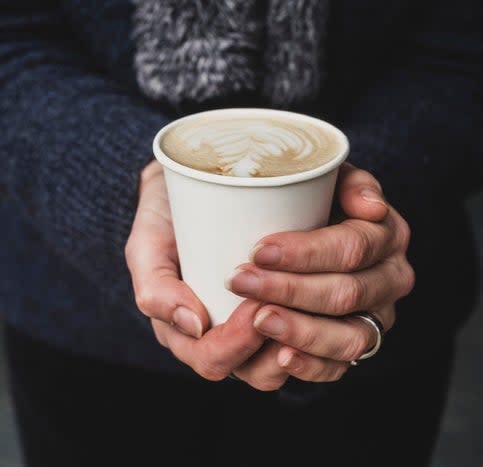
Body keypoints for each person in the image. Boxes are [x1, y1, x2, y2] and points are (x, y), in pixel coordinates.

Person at [0, 1, 481, 466]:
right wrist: (126, 181)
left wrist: (369, 203)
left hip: (378, 335)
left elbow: (460, 52)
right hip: (79, 341)